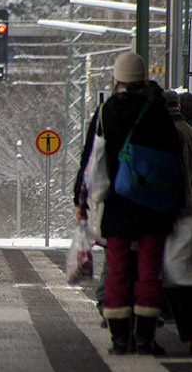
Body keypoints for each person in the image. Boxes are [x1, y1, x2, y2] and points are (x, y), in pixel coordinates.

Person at [74, 52, 182, 354]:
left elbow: (90, 159)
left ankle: (120, 339)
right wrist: (176, 203)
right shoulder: (157, 111)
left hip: (117, 205)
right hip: (153, 205)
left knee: (118, 271)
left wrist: (80, 199)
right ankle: (146, 338)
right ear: (143, 78)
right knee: (150, 272)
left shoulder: (106, 111)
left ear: (117, 79)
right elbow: (174, 163)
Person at [163, 90, 192, 352]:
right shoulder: (187, 130)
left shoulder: (170, 134)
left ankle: (186, 328)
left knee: (174, 271)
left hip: (180, 212)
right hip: (187, 210)